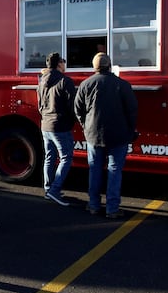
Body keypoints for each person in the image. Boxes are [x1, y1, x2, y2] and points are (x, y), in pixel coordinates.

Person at [74, 52, 138, 219]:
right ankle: (112, 208)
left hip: (93, 135)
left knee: (94, 170)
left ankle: (94, 205)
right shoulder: (122, 85)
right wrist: (130, 130)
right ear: (109, 66)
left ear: (94, 67)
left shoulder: (85, 84)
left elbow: (78, 110)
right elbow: (132, 111)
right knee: (114, 170)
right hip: (118, 135)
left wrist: (85, 126)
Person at [37, 52, 77, 206]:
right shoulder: (65, 81)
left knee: (50, 157)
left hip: (45, 124)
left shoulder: (41, 81)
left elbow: (40, 104)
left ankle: (48, 189)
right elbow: (72, 105)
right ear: (59, 64)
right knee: (66, 157)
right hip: (60, 125)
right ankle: (54, 190)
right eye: (64, 61)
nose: (65, 64)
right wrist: (74, 120)